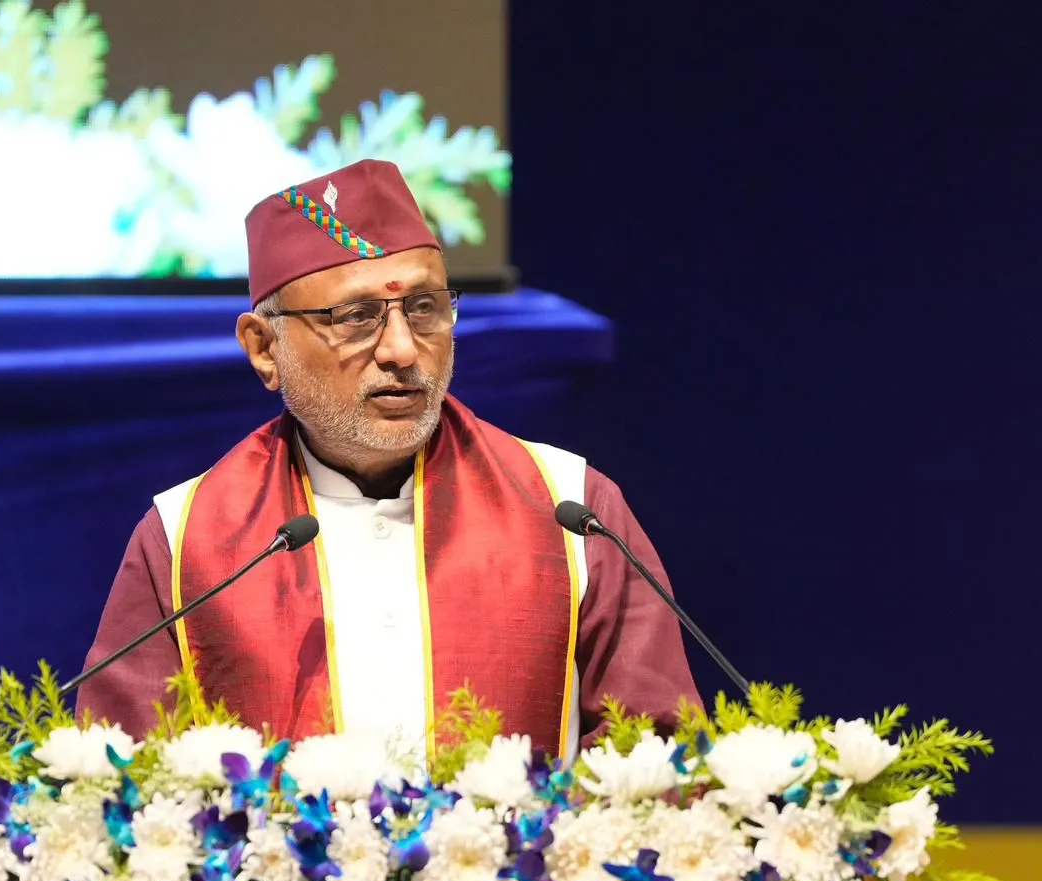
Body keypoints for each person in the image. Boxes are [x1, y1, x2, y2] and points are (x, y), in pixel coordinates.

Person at [76, 158, 700, 764]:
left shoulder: (572, 509)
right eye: (356, 317)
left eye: (424, 308)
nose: (402, 350)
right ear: (263, 348)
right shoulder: (186, 538)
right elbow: (123, 781)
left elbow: (657, 765)